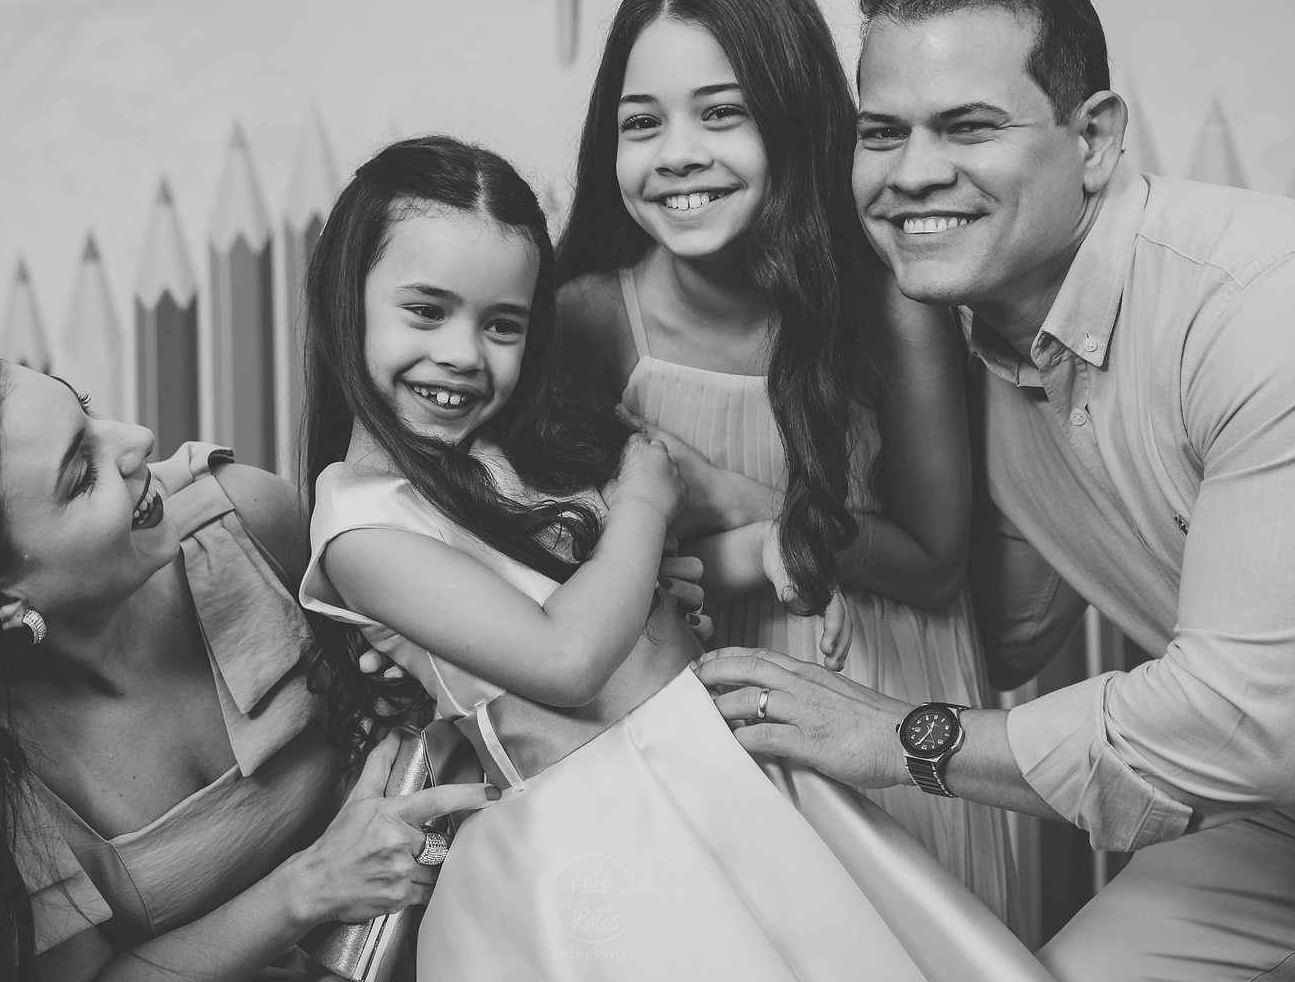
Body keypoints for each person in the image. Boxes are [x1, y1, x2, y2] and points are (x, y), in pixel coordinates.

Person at [696, 0, 1295, 981]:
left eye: (969, 126)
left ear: (1095, 139)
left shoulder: (1284, 306)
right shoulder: (975, 337)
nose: (912, 173)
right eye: (882, 133)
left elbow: (1240, 731)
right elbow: (1007, 636)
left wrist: (900, 736)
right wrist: (734, 530)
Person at [296, 135, 1049, 981]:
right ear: (346, 301)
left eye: (502, 324)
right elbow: (567, 658)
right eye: (427, 311)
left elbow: (636, 600)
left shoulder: (495, 461)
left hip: (717, 771)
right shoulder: (361, 529)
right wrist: (645, 503)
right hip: (596, 826)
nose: (464, 355)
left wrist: (771, 550)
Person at [0, 352, 497, 982]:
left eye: (86, 411)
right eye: (80, 474)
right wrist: (311, 886)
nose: (136, 440)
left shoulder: (247, 524)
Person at [555, 0, 1019, 927]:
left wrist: (745, 500)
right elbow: (562, 564)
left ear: (797, 120)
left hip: (875, 698)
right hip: (679, 716)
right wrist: (758, 540)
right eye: (642, 123)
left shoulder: (890, 304)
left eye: (720, 113)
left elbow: (936, 563)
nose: (677, 153)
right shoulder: (584, 319)